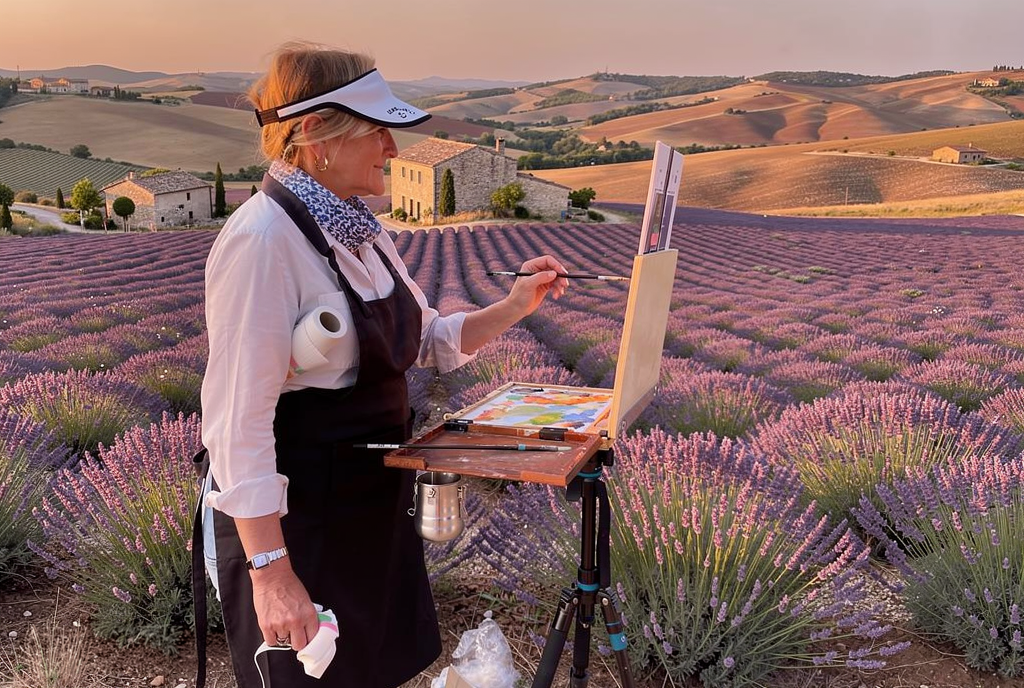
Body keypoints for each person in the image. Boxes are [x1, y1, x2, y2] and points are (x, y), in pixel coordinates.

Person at [198, 41, 568, 688]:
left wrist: (515, 304)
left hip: (366, 513)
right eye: (378, 132)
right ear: (316, 134)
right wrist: (273, 573)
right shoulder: (263, 242)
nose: (393, 151)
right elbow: (236, 424)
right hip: (300, 527)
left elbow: (428, 341)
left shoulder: (360, 233)